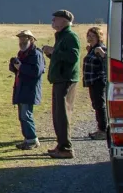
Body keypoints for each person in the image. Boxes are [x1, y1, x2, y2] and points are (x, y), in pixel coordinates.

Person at [46, 10, 81, 159]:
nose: (53, 20)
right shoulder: (62, 36)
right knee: (57, 114)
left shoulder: (70, 36)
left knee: (62, 115)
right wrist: (50, 53)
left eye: (56, 19)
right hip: (59, 79)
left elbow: (73, 57)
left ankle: (66, 148)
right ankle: (61, 145)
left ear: (64, 21)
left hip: (65, 80)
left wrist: (53, 51)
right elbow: (62, 57)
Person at [8, 29, 45, 150]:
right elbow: (19, 70)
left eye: (25, 38)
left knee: (26, 115)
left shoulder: (36, 54)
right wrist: (13, 65)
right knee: (22, 115)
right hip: (21, 88)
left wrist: (20, 67)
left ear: (31, 40)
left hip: (30, 89)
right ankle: (28, 139)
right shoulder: (22, 53)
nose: (22, 41)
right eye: (20, 38)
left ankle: (32, 139)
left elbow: (36, 72)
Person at [82, 26, 110, 140]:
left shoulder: (100, 48)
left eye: (93, 36)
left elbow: (108, 63)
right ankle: (100, 129)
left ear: (99, 37)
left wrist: (103, 54)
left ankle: (103, 130)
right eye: (89, 35)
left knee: (100, 105)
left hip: (98, 80)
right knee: (96, 105)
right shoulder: (92, 49)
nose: (90, 38)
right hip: (92, 81)